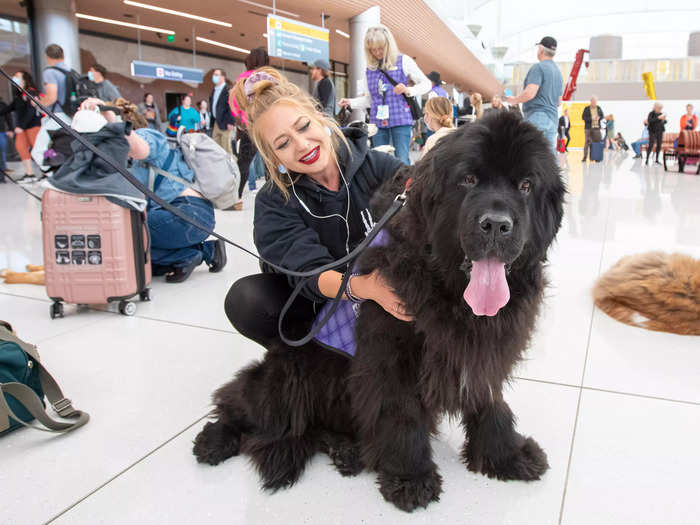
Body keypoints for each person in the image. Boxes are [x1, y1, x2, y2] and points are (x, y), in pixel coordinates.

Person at [224, 67, 410, 347]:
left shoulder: (375, 165)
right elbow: (308, 273)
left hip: (388, 294)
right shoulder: (273, 202)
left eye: (303, 126)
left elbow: (426, 196)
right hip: (321, 304)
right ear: (274, 157)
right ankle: (309, 357)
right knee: (246, 298)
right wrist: (367, 288)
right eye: (283, 143)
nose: (302, 145)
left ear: (320, 118)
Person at [80, 97, 227, 282]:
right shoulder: (124, 162)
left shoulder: (149, 136)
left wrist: (110, 120)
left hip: (188, 213)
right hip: (180, 220)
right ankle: (208, 251)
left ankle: (186, 256)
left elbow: (137, 147)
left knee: (125, 235)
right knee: (134, 250)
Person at [338, 25, 431, 166]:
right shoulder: (369, 70)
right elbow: (370, 99)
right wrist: (351, 102)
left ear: (388, 45)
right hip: (378, 122)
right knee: (379, 160)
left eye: (380, 48)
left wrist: (408, 90)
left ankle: (403, 187)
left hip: (400, 119)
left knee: (401, 159)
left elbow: (426, 84)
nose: (377, 52)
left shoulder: (403, 61)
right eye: (373, 49)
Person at [229, 48, 270, 210]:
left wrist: (240, 117)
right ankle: (276, 198)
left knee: (244, 163)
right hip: (268, 125)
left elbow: (234, 102)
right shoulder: (269, 77)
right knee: (271, 162)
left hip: (250, 126)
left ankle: (236, 198)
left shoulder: (243, 79)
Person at [505, 36, 563, 149]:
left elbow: (530, 93)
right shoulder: (558, 72)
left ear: (541, 49)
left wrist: (513, 100)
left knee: (529, 152)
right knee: (548, 156)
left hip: (538, 116)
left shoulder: (538, 68)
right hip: (552, 119)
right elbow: (559, 102)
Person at [32, 44, 72, 172]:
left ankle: (52, 175)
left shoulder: (50, 72)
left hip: (58, 116)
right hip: (70, 116)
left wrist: (38, 103)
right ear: (63, 56)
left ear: (47, 57)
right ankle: (60, 171)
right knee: (61, 148)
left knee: (38, 151)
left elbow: (51, 97)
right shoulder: (70, 72)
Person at [0, 71, 42, 181]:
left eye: (18, 77)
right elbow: (7, 109)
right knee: (21, 148)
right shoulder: (19, 96)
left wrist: (21, 126)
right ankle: (30, 174)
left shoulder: (30, 93)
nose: (15, 78)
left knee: (38, 149)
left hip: (33, 126)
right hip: (22, 129)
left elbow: (31, 111)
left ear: (25, 79)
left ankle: (47, 172)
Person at [209, 68, 235, 155]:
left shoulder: (228, 89)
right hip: (216, 122)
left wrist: (231, 122)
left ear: (223, 77)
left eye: (216, 75)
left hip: (226, 122)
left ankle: (232, 167)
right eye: (214, 75)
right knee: (216, 148)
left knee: (226, 149)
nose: (214, 77)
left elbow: (232, 106)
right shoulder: (214, 90)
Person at [581, 96, 604, 162]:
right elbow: (583, 117)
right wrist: (591, 118)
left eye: (595, 101)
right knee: (587, 143)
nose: (594, 102)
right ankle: (585, 157)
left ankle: (596, 157)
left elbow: (602, 116)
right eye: (593, 101)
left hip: (596, 128)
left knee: (597, 143)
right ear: (591, 101)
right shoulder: (587, 108)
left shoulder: (599, 108)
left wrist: (599, 117)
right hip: (588, 128)